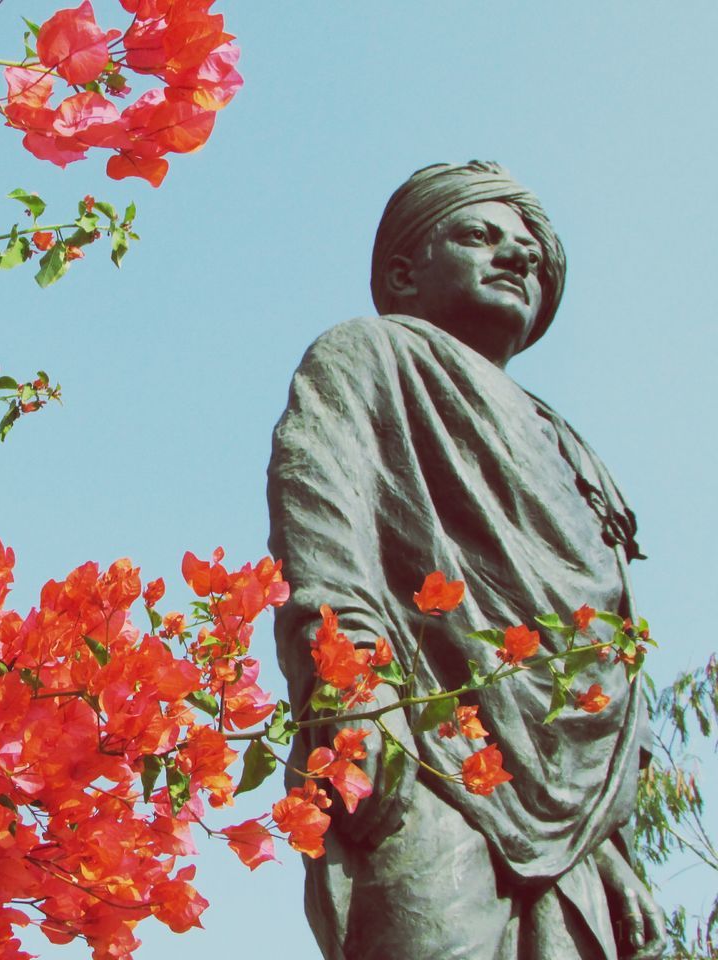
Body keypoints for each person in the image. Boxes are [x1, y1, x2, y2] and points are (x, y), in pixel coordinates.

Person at [266, 161, 665, 959]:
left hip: (574, 803)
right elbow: (321, 512)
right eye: (480, 236)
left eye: (534, 255)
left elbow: (610, 653)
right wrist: (353, 690)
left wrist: (612, 840)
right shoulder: (368, 353)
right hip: (426, 740)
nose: (518, 258)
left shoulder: (572, 449)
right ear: (403, 272)